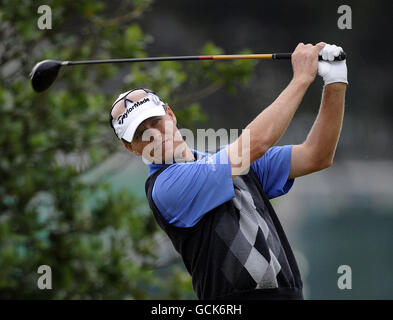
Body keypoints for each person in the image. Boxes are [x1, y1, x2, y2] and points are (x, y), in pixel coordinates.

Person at [109, 42, 348, 300]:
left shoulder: (231, 162)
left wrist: (335, 80)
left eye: (156, 122)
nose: (154, 134)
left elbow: (317, 155)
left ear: (170, 114)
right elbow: (256, 144)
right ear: (130, 147)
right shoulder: (166, 187)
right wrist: (301, 79)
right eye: (141, 133)